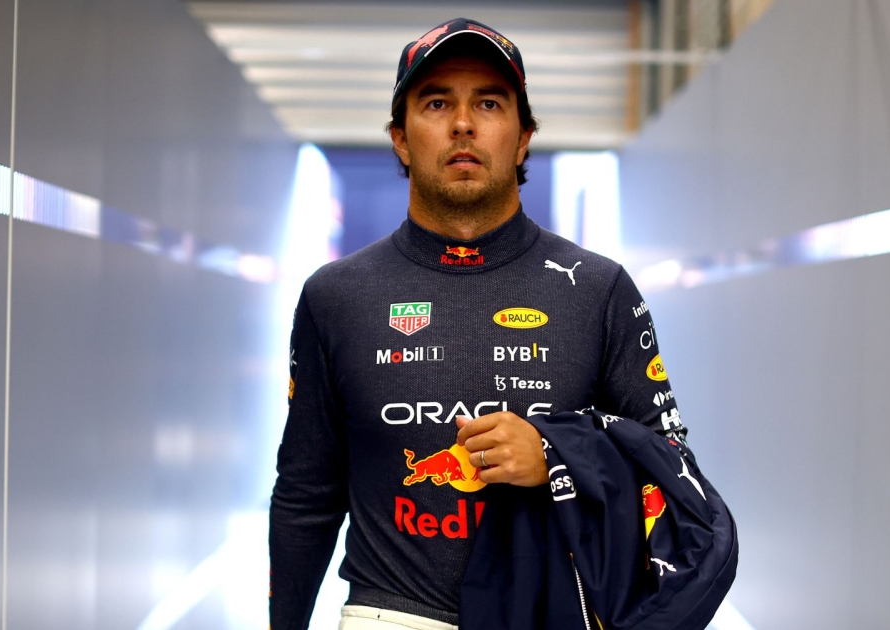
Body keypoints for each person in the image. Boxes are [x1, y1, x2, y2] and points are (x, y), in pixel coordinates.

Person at [269, 18, 687, 630]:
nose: (463, 123)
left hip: (553, 613)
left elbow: (673, 472)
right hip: (389, 614)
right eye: (437, 103)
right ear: (400, 138)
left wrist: (559, 457)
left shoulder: (599, 289)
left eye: (489, 103)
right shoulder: (335, 295)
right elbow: (305, 496)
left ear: (523, 138)